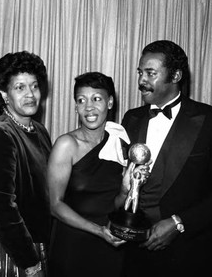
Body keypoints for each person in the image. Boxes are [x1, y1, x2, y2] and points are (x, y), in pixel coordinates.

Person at [118, 40, 212, 277]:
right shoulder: (131, 119)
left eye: (150, 73)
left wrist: (178, 222)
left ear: (176, 75)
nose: (141, 81)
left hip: (191, 255)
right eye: (140, 72)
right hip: (136, 256)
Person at [0, 51, 51, 277]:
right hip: (6, 248)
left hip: (35, 239)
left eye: (34, 86)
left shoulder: (40, 130)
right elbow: (2, 209)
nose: (31, 94)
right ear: (4, 94)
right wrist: (31, 265)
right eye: (20, 88)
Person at [47, 72, 128, 277]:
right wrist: (99, 231)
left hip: (111, 245)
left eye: (97, 99)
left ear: (110, 103)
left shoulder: (120, 143)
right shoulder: (67, 145)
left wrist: (126, 190)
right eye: (81, 100)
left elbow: (115, 203)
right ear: (75, 106)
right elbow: (55, 205)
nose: (89, 107)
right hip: (73, 246)